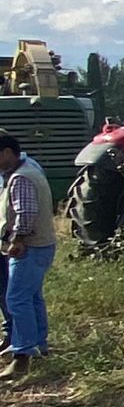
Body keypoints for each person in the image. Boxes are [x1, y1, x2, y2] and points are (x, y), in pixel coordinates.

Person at [1, 133, 58, 377]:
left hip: (30, 246)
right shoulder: (27, 170)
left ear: (6, 153)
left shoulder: (21, 178)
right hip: (41, 244)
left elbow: (25, 213)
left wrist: (18, 240)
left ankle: (22, 355)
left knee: (16, 299)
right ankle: (39, 345)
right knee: (32, 297)